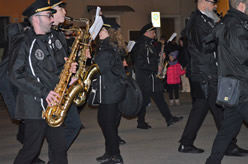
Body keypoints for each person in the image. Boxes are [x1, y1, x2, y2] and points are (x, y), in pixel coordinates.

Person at [8, 1, 76, 163]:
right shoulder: (24, 42)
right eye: (48, 16)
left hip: (54, 104)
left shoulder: (51, 39)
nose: (52, 20)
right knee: (30, 151)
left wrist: (68, 74)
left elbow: (56, 69)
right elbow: (15, 74)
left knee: (59, 150)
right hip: (34, 106)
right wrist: (44, 92)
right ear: (36, 18)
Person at [178, 0, 248, 156]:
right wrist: (223, 39)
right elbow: (204, 46)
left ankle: (186, 143)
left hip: (207, 72)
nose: (215, 6)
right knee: (222, 111)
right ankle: (229, 146)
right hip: (206, 73)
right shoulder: (196, 21)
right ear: (203, 2)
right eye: (212, 2)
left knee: (200, 110)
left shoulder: (205, 19)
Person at [205, 0, 248, 163]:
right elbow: (243, 55)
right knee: (226, 131)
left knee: (226, 132)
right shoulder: (235, 25)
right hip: (242, 87)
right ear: (241, 6)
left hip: (232, 87)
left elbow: (207, 45)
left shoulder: (224, 24)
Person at [132, 23, 183, 129]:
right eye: (153, 32)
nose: (155, 35)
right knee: (146, 100)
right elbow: (140, 63)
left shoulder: (148, 44)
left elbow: (150, 59)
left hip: (150, 78)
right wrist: (156, 68)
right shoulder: (141, 45)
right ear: (147, 33)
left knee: (157, 99)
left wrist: (161, 57)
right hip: (146, 78)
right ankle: (143, 122)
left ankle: (167, 119)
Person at [93, 17, 126, 164]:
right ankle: (109, 152)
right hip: (111, 89)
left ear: (110, 33)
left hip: (110, 91)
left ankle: (115, 155)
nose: (99, 32)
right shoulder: (109, 46)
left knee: (107, 122)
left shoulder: (107, 49)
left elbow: (97, 69)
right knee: (106, 121)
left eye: (102, 30)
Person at [50, 0, 82, 150]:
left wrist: (70, 68)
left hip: (63, 86)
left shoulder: (59, 34)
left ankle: (56, 156)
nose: (65, 12)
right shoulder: (44, 34)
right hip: (51, 88)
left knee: (74, 125)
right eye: (61, 9)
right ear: (52, 11)